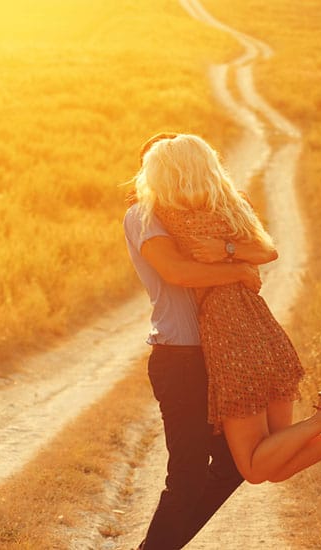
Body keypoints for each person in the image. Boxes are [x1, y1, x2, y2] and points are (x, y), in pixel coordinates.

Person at [131, 133, 321, 489]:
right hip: (264, 334)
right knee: (276, 462)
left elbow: (178, 272)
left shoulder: (168, 216)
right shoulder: (230, 206)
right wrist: (236, 259)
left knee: (256, 470)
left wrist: (229, 260)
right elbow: (267, 251)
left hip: (232, 343)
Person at [123, 133, 280, 549]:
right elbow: (179, 273)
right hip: (180, 359)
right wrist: (238, 271)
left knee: (233, 465)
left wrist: (230, 249)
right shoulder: (144, 216)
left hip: (223, 356)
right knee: (189, 473)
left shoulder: (208, 214)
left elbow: (264, 249)